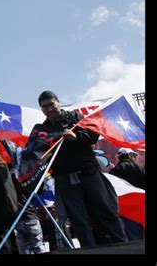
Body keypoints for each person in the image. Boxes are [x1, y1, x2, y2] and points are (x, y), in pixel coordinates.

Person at [36, 90, 127, 248]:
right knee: (79, 219)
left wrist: (76, 137)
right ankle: (89, 250)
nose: (49, 109)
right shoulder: (42, 129)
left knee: (105, 210)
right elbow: (38, 151)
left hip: (89, 173)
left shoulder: (75, 117)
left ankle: (123, 246)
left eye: (51, 104)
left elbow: (93, 136)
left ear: (58, 101)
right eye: (45, 107)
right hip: (64, 178)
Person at [109, 147, 145, 240]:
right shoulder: (138, 168)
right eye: (134, 155)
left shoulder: (113, 172)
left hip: (124, 206)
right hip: (140, 203)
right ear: (130, 155)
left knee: (132, 233)